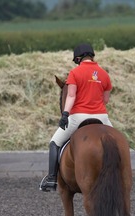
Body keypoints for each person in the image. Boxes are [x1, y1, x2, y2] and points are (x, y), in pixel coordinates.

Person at [39, 42, 113, 192]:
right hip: (102, 116)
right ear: (92, 56)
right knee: (116, 144)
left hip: (79, 116)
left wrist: (65, 114)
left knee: (54, 143)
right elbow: (106, 100)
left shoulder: (75, 73)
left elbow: (71, 95)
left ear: (78, 58)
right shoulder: (104, 74)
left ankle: (52, 179)